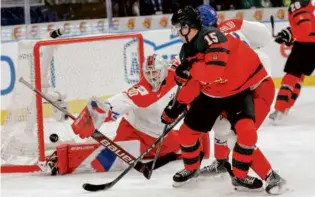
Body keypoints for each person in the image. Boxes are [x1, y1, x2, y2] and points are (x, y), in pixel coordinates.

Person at [161, 5, 270, 190]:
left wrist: (190, 73)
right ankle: (212, 165)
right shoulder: (192, 46)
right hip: (215, 93)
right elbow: (195, 80)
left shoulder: (213, 38)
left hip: (242, 89)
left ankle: (247, 173)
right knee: (199, 132)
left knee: (236, 133)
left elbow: (208, 73)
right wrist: (179, 103)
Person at [54, 54, 209, 175]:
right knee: (104, 161)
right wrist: (99, 113)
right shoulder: (140, 90)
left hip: (160, 137)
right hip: (133, 133)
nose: (152, 77)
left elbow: (192, 57)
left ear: (163, 69)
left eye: (155, 72)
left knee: (193, 146)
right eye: (148, 73)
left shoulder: (177, 74)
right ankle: (62, 157)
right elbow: (119, 101)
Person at [196, 4, 286, 194]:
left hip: (256, 88)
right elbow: (263, 36)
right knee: (221, 126)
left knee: (239, 137)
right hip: (237, 90)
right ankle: (221, 163)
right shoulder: (231, 26)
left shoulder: (204, 46)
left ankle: (271, 176)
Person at [269, 0, 315, 122]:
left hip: (307, 46)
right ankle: (285, 108)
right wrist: (289, 36)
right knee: (298, 77)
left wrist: (290, 34)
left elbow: (305, 28)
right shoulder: (308, 4)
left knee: (291, 77)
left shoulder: (299, 4)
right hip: (310, 44)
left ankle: (280, 110)